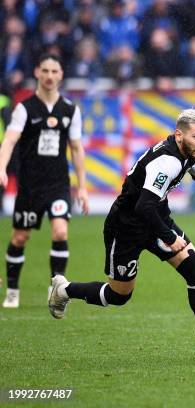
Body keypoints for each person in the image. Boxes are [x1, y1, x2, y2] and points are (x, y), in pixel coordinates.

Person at [48, 109, 195, 360]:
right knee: (119, 295)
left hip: (155, 219)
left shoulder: (186, 153)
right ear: (179, 135)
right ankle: (64, 290)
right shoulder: (168, 161)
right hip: (126, 228)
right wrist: (168, 236)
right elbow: (143, 206)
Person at [0, 53, 89, 309]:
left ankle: (55, 289)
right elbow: (9, 140)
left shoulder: (70, 110)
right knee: (20, 238)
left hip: (58, 184)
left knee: (60, 231)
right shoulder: (24, 108)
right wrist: (2, 166)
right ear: (38, 73)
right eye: (45, 71)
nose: (49, 76)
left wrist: (81, 187)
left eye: (54, 71)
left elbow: (77, 149)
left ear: (61, 75)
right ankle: (13, 291)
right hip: (30, 186)